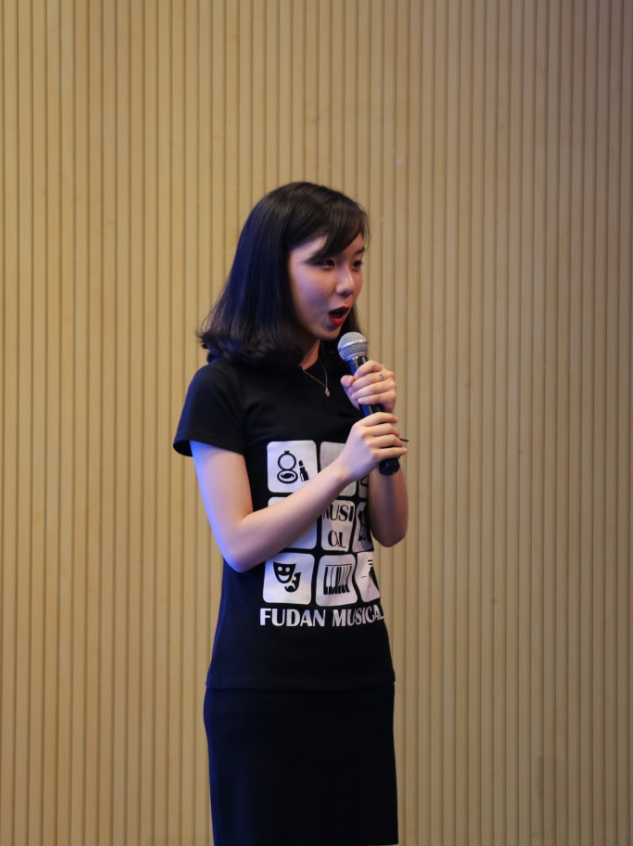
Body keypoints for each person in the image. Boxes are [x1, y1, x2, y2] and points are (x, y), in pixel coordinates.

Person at [173, 181, 409, 846]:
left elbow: (391, 530)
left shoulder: (351, 383)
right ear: (273, 269)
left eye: (356, 263)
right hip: (266, 688)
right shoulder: (222, 387)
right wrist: (340, 469)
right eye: (325, 263)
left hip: (358, 677)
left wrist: (382, 427)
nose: (347, 284)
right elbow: (240, 542)